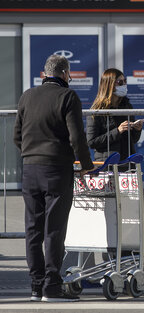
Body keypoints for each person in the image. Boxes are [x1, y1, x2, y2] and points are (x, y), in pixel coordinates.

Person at [14, 54, 95, 302]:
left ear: (44, 73)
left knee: (33, 229)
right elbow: (77, 138)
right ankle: (52, 287)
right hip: (57, 170)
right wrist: (87, 166)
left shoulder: (27, 96)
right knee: (54, 229)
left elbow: (17, 135)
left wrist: (31, 154)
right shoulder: (67, 97)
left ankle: (36, 287)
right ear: (65, 73)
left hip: (30, 169)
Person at [86, 68, 144, 255]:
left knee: (132, 211)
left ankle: (134, 255)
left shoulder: (126, 105)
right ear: (109, 85)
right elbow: (92, 142)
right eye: (120, 82)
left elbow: (132, 139)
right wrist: (118, 130)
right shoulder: (97, 110)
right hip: (108, 167)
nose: (124, 86)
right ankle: (112, 257)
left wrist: (136, 128)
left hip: (127, 165)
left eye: (125, 82)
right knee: (112, 214)